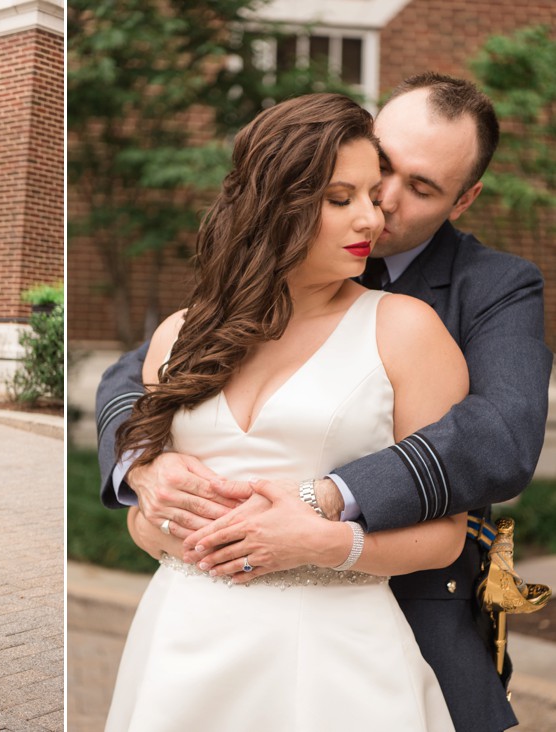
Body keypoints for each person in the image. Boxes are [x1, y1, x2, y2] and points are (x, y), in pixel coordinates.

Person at [96, 73, 552, 731]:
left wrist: (322, 504)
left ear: (464, 199)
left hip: (381, 623)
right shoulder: (213, 308)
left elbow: (500, 436)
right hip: (186, 640)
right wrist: (144, 470)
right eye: (372, 174)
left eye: (418, 188)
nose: (382, 206)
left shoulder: (482, 291)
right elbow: (131, 382)